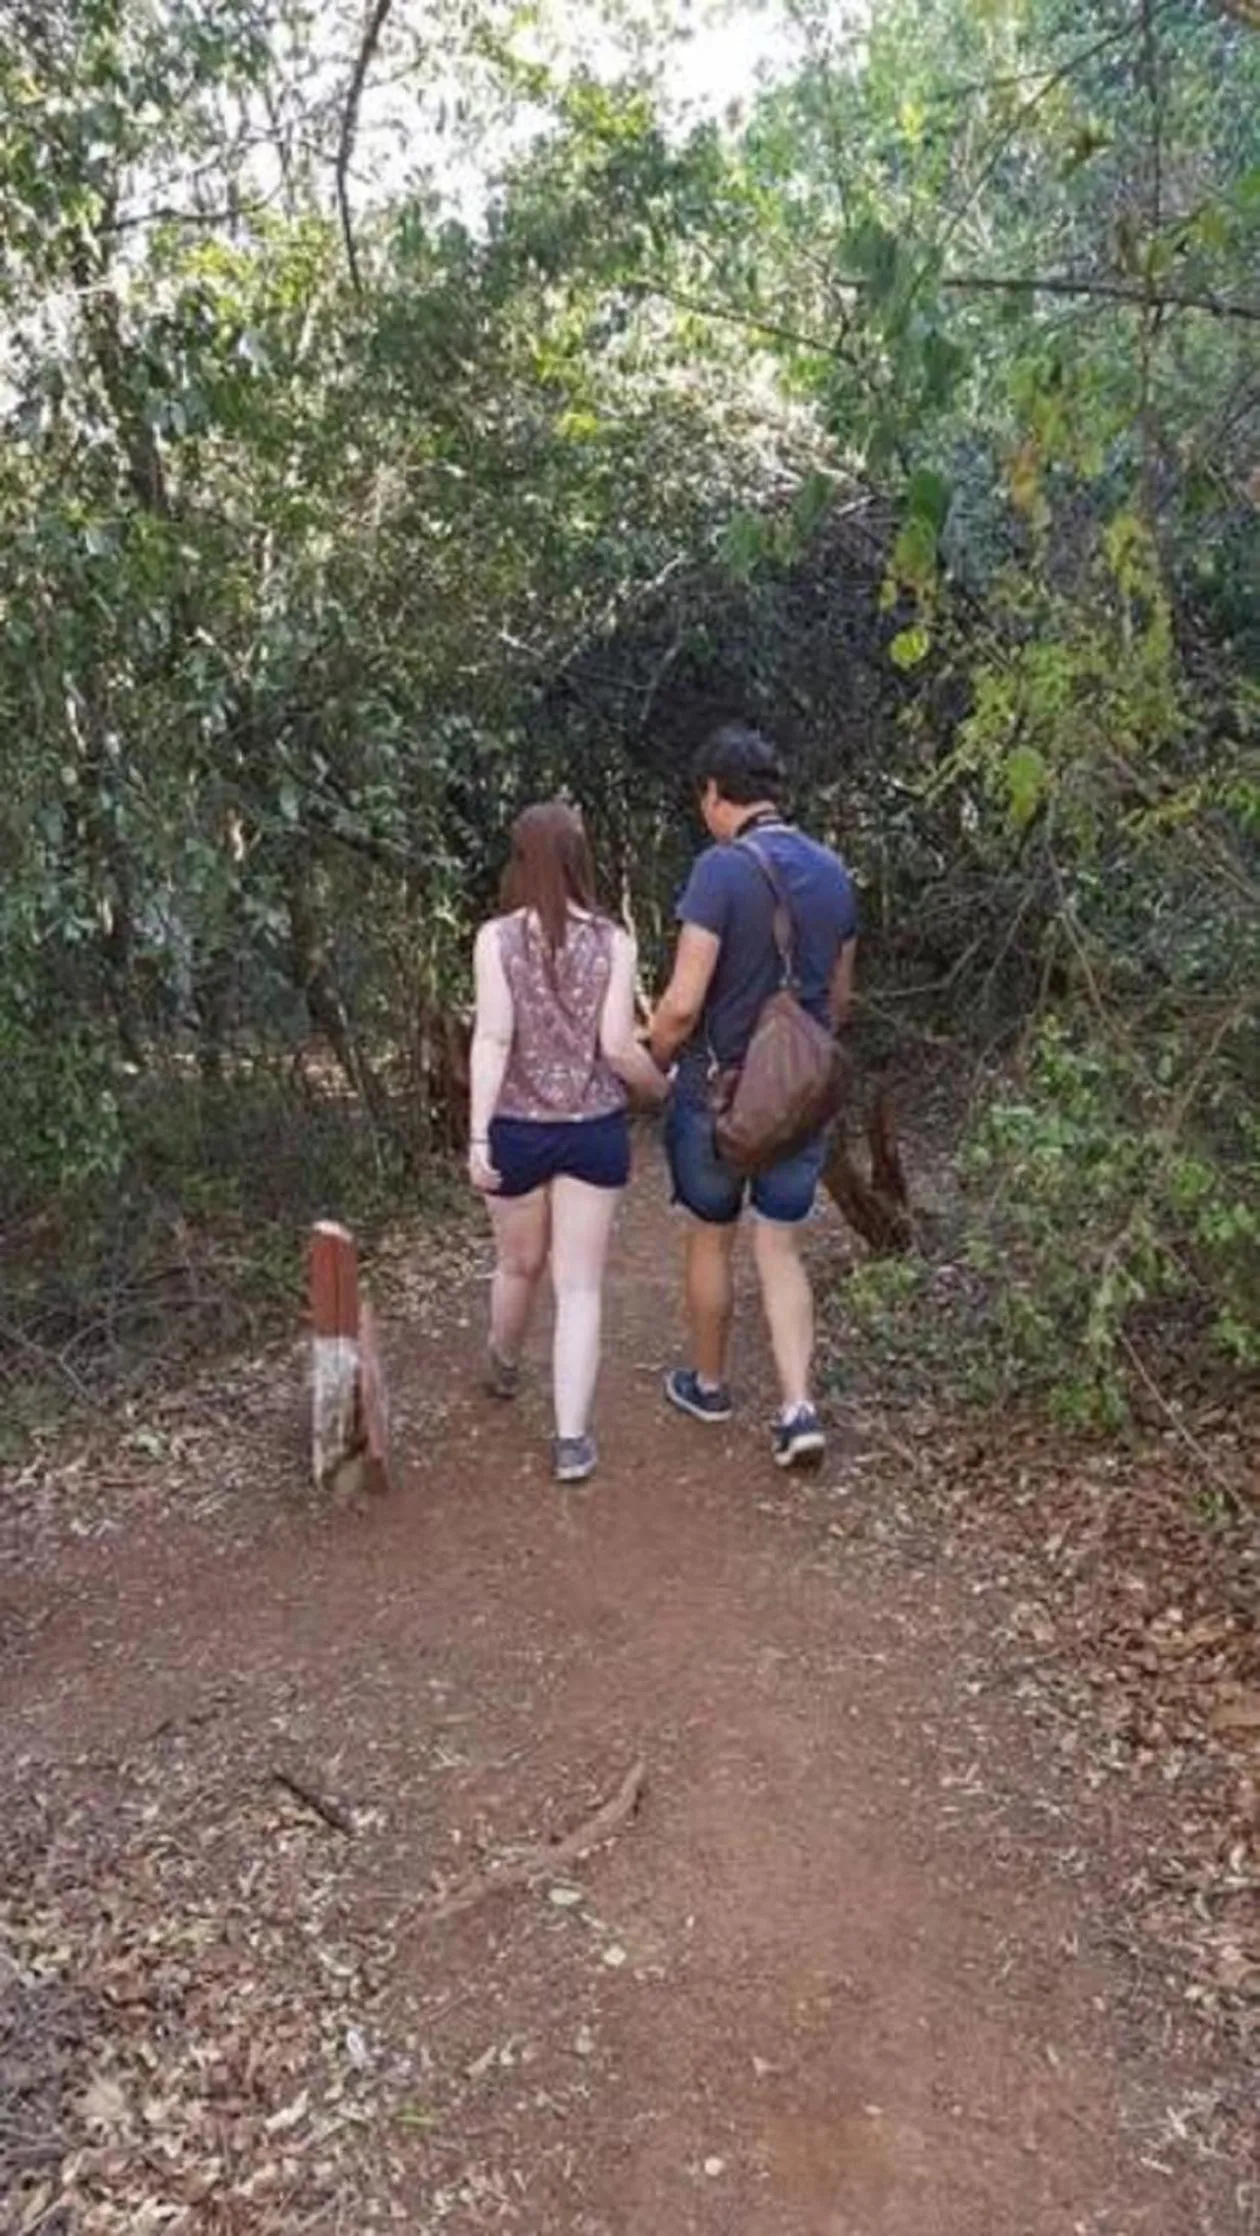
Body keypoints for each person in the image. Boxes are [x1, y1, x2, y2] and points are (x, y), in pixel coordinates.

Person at [649, 724, 858, 1468]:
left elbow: (680, 1003)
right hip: (797, 1099)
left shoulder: (719, 870)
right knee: (780, 1243)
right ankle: (799, 1407)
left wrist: (656, 1057)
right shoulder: (833, 871)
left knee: (711, 1234)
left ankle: (707, 1385)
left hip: (718, 1094)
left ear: (715, 794)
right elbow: (840, 997)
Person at [468, 801, 668, 1484]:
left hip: (518, 1129)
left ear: (523, 861)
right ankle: (572, 1439)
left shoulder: (494, 939)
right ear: (580, 860)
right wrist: (662, 1088)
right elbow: (617, 1047)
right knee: (579, 1286)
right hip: (593, 1131)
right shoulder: (613, 941)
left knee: (517, 1264)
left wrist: (476, 1134)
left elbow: (492, 1037)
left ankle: (502, 1362)